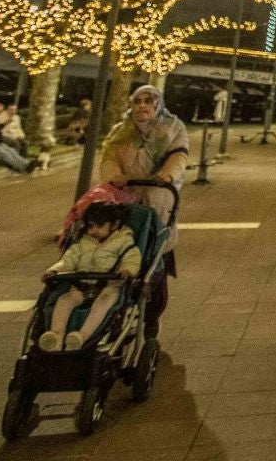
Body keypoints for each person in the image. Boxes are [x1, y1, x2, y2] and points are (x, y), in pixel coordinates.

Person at [99, 84, 189, 333]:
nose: (142, 106)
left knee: (154, 256)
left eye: (148, 101)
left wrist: (167, 175)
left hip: (157, 199)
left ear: (157, 104)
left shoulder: (172, 128)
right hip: (124, 198)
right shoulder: (121, 132)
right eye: (137, 101)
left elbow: (179, 155)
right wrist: (114, 175)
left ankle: (151, 315)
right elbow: (108, 157)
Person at [39, 202, 141, 351]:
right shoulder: (83, 243)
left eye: (99, 226)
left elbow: (131, 258)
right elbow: (69, 259)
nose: (94, 231)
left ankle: (82, 336)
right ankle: (56, 336)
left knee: (104, 302)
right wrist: (54, 270)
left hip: (109, 286)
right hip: (81, 285)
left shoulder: (124, 242)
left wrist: (127, 271)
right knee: (64, 300)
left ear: (115, 224)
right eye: (90, 226)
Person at [0, 98, 45, 173]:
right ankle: (22, 167)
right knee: (3, 152)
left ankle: (27, 164)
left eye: (1, 111)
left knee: (11, 150)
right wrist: (3, 125)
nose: (0, 113)